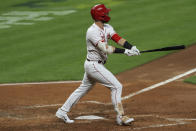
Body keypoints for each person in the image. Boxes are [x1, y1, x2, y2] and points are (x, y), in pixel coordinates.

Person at [56, 4, 140, 125]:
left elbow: (118, 38)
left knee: (82, 89)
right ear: (102, 15)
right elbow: (105, 48)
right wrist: (125, 52)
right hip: (94, 66)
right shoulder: (92, 32)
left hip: (94, 65)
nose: (108, 14)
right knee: (117, 87)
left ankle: (62, 111)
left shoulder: (107, 27)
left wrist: (131, 47)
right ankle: (121, 116)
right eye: (106, 13)